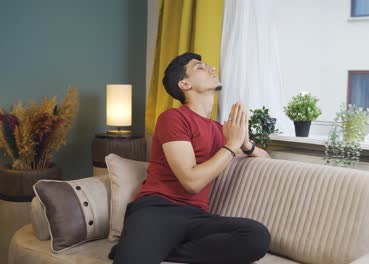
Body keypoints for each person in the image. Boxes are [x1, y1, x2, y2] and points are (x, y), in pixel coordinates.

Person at [110, 52, 272, 264]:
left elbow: (266, 158)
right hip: (157, 210)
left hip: (196, 218)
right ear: (184, 84)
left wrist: (246, 144)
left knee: (256, 236)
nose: (211, 68)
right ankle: (145, 246)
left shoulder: (220, 131)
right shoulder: (173, 118)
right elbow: (191, 182)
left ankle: (159, 249)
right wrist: (232, 145)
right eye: (200, 67)